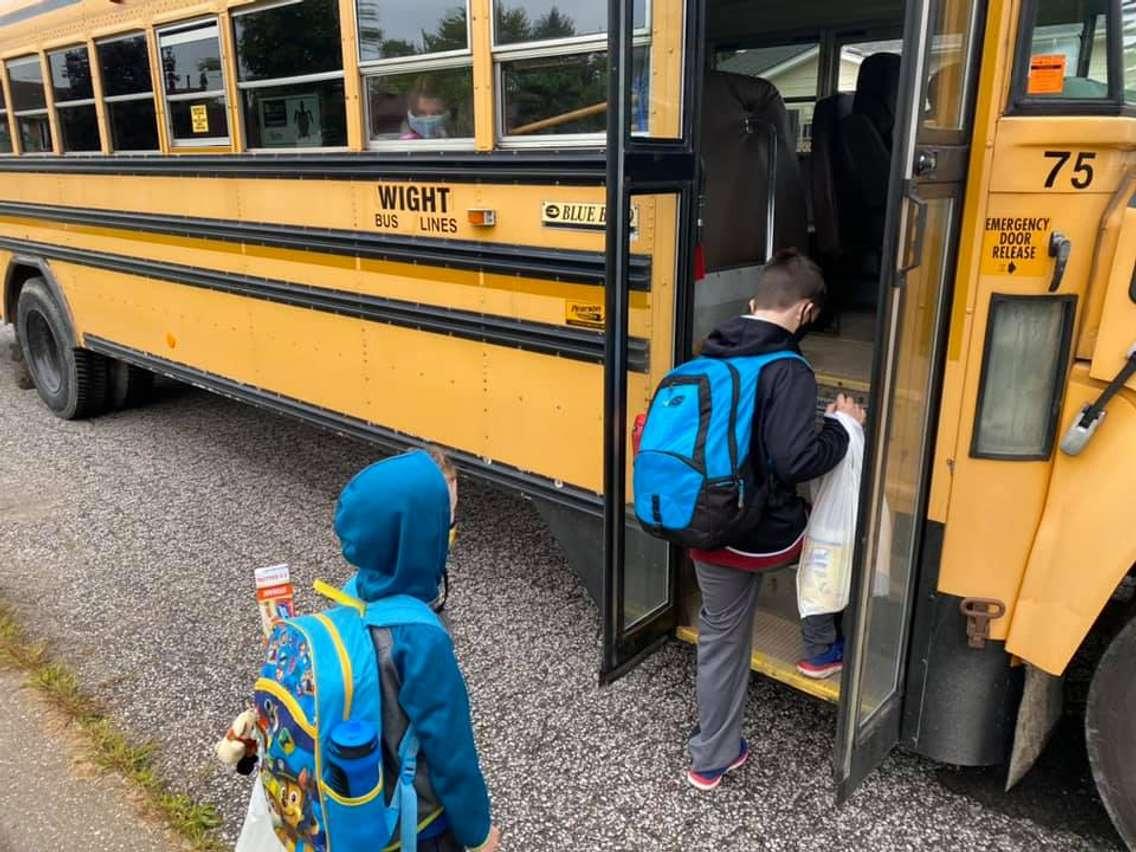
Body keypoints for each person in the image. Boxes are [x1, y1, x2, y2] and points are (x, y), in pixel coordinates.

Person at [685, 249, 866, 792]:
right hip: (760, 538)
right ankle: (819, 650)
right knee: (829, 530)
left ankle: (710, 759)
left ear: (752, 302)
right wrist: (842, 426)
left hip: (703, 524)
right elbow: (797, 461)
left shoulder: (706, 356)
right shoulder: (789, 370)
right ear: (806, 312)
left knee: (721, 636)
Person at [337, 450, 500, 851]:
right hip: (418, 826)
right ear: (417, 537)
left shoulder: (349, 595)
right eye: (446, 523)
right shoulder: (419, 636)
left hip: (363, 805)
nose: (452, 535)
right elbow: (451, 752)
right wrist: (478, 836)